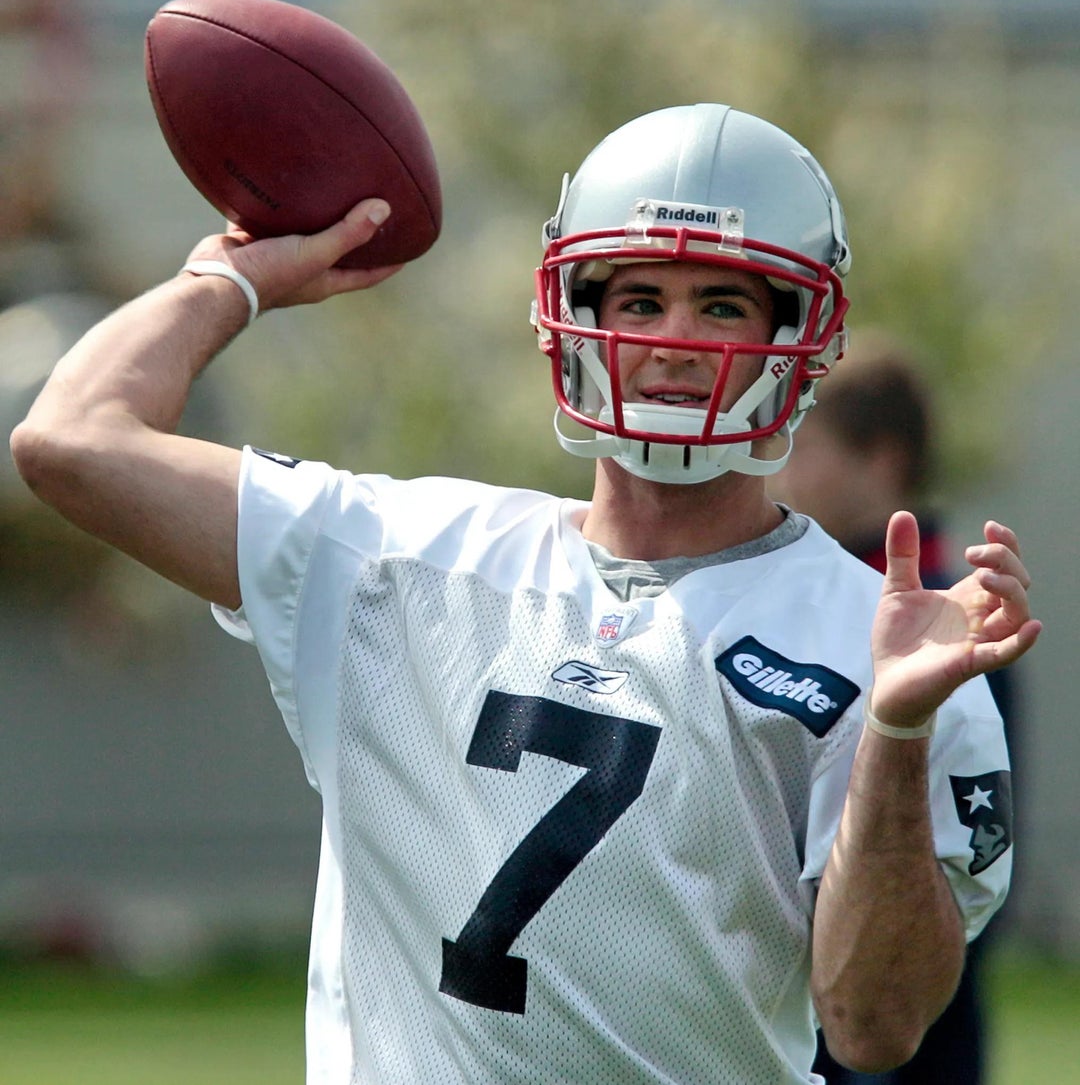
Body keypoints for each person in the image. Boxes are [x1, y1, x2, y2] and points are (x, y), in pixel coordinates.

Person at [10, 104, 1039, 1084]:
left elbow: (874, 1022)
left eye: (721, 303)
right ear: (573, 317)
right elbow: (73, 439)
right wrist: (228, 277)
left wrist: (899, 731)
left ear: (801, 335)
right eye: (639, 300)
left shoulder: (882, 640)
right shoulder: (395, 557)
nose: (674, 339)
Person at [769, 339, 1019, 1085]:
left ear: (881, 460)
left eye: (804, 445)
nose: (781, 467)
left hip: (898, 1038)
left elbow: (975, 850)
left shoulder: (954, 622)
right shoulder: (793, 601)